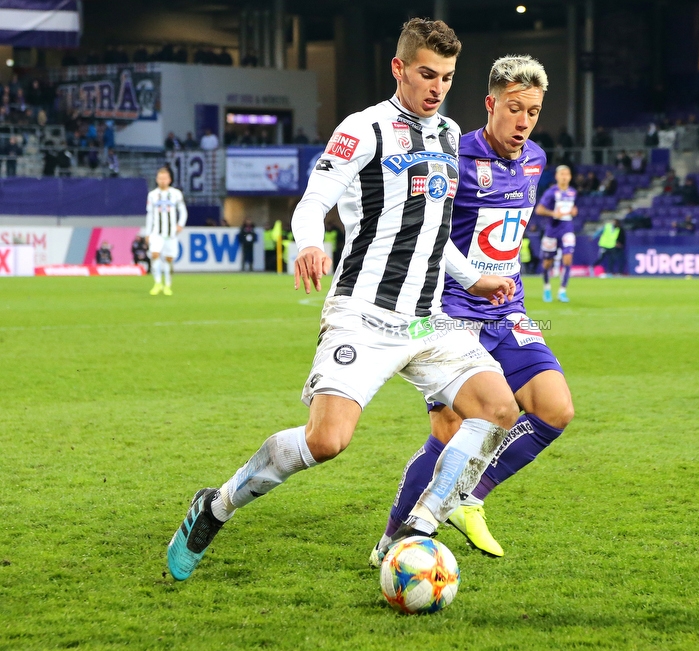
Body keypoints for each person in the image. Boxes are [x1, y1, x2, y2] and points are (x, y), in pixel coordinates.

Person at [166, 17, 522, 583]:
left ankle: (418, 528)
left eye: (448, 77)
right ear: (399, 68)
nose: (437, 87)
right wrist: (308, 244)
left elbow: (432, 229)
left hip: (427, 321)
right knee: (326, 441)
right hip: (364, 312)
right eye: (427, 74)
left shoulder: (452, 135)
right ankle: (215, 506)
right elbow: (312, 203)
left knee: (499, 409)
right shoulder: (365, 128)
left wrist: (472, 276)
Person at [371, 55, 574, 562]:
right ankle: (394, 540)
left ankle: (467, 497)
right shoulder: (454, 159)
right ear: (490, 104)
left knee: (554, 410)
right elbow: (431, 233)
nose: (524, 121)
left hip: (509, 312)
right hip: (449, 312)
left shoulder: (536, 160)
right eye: (514, 108)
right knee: (448, 432)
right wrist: (471, 279)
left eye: (533, 110)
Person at [535, 165, 577, 302]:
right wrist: (553, 213)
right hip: (552, 230)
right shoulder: (551, 192)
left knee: (568, 259)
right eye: (562, 174)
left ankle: (562, 291)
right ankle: (547, 288)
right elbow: (539, 210)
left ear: (570, 177)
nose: (565, 176)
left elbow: (572, 208)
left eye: (567, 174)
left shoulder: (572, 192)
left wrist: (574, 211)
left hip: (567, 229)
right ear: (557, 176)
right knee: (547, 263)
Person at [146, 166, 187, 296]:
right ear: (157, 180)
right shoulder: (152, 195)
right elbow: (150, 215)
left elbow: (183, 211)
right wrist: (148, 232)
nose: (162, 180)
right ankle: (157, 283)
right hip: (156, 233)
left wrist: (180, 224)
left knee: (169, 259)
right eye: (160, 178)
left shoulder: (176, 194)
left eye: (165, 178)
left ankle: (167, 285)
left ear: (169, 179)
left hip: (171, 234)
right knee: (155, 255)